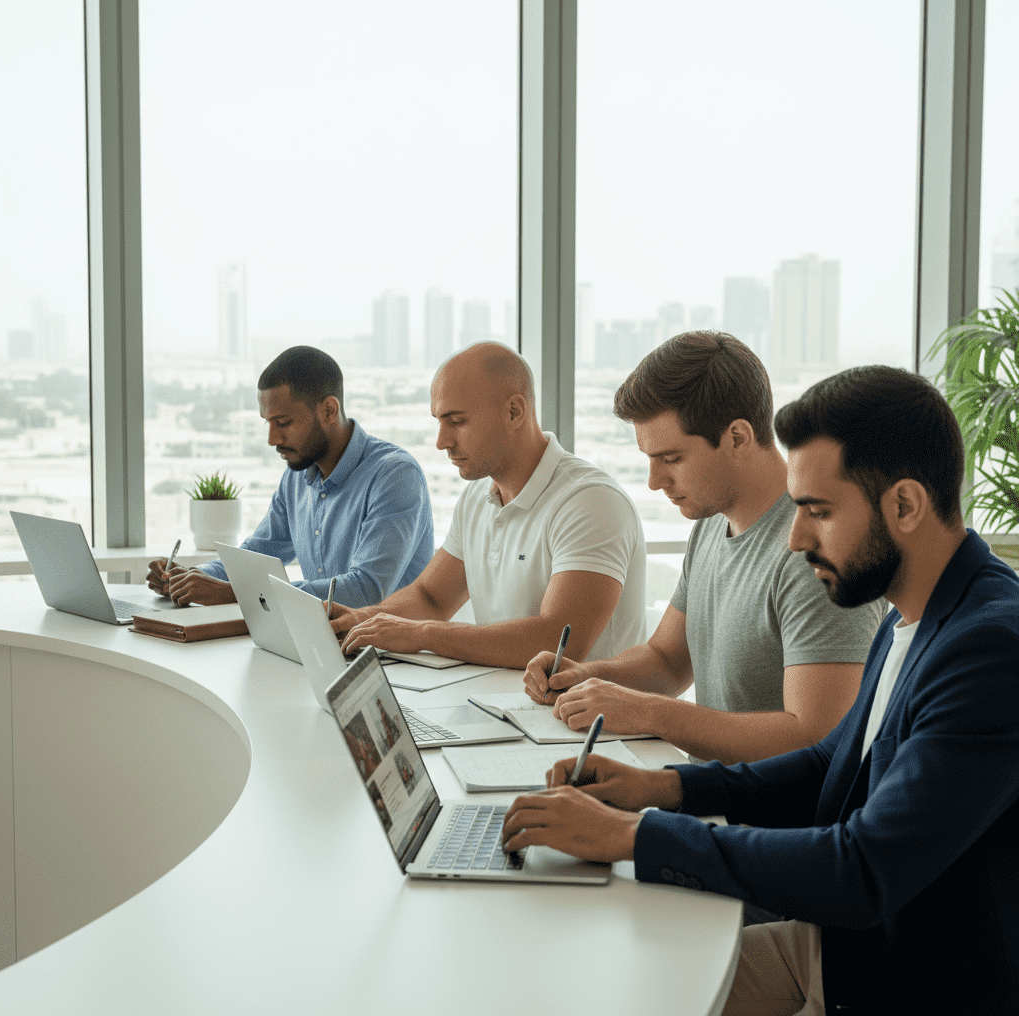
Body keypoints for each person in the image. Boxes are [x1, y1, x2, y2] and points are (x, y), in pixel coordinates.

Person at [502, 365, 1019, 1014]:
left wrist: (633, 837)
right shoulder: (909, 613)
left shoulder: (990, 648)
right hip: (847, 945)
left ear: (906, 506)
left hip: (902, 978)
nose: (798, 538)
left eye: (819, 512)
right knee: (604, 979)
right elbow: (832, 762)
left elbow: (861, 870)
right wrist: (664, 790)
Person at [523, 332, 883, 764]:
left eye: (671, 459)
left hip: (767, 826)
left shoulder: (816, 555)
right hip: (710, 801)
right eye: (649, 459)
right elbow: (667, 662)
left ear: (737, 437)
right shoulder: (712, 525)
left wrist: (650, 714)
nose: (655, 481)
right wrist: (584, 676)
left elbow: (817, 738)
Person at [329, 341, 646, 669]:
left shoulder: (589, 501)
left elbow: (558, 641)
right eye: (439, 421)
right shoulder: (476, 497)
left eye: (457, 421)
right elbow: (431, 598)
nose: (442, 442)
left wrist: (423, 634)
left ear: (514, 412)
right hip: (501, 704)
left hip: (587, 718)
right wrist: (359, 619)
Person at [147, 346, 434, 607]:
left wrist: (237, 593)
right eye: (267, 423)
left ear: (329, 410)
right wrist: (190, 578)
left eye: (283, 423)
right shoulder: (297, 477)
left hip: (391, 656)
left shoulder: (394, 476)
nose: (272, 439)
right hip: (321, 642)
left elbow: (366, 590)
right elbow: (257, 553)